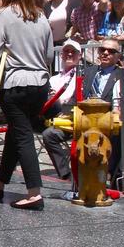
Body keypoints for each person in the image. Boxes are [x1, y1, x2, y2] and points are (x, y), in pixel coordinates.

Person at [0, 0, 54, 210]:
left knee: (22, 136)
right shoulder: (41, 17)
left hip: (15, 84)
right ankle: (1, 183)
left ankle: (34, 192)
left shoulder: (2, 15)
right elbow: (49, 54)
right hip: (40, 83)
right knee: (16, 132)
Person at [40, 40, 83, 180]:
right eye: (66, 51)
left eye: (73, 52)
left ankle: (65, 173)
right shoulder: (53, 78)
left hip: (68, 117)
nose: (69, 54)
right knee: (22, 125)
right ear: (61, 55)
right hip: (48, 116)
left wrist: (57, 99)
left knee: (48, 134)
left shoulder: (82, 76)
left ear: (80, 55)